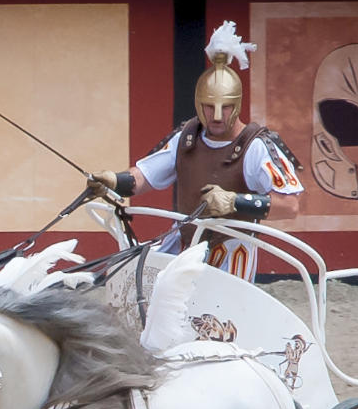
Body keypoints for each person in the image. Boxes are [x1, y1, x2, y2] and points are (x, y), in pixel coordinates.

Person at [96, 21, 304, 282]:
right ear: (198, 103)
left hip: (231, 256)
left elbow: (290, 206)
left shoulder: (256, 146)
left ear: (237, 105)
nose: (217, 116)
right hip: (184, 246)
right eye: (208, 106)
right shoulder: (187, 138)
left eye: (225, 107)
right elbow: (144, 177)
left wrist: (234, 201)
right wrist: (113, 181)